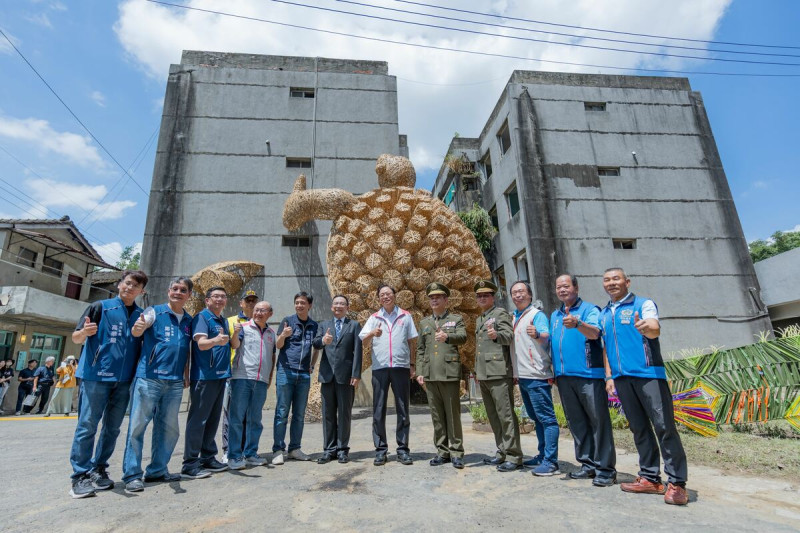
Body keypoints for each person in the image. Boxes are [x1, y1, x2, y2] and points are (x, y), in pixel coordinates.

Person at [600, 267, 688, 506]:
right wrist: (609, 376)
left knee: (664, 427)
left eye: (616, 279)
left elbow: (654, 327)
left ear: (627, 281)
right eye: (607, 280)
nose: (611, 283)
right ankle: (650, 478)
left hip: (649, 375)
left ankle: (677, 484)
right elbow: (606, 346)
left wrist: (647, 328)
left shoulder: (643, 304)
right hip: (621, 378)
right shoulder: (605, 313)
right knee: (639, 428)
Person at [69, 269, 148, 499]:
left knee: (112, 428)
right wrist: (84, 332)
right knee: (87, 425)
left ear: (142, 291)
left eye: (136, 286)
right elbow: (76, 338)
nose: (130, 288)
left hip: (124, 380)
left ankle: (98, 468)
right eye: (127, 283)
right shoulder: (100, 307)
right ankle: (79, 475)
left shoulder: (142, 316)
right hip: (95, 377)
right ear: (119, 284)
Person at [121, 276, 195, 493]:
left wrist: (186, 374)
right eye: (175, 288)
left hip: (174, 382)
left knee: (169, 429)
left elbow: (185, 350)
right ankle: (132, 474)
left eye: (183, 290)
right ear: (168, 291)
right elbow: (137, 331)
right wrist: (138, 327)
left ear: (189, 295)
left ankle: (157, 469)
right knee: (137, 426)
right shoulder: (154, 311)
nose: (178, 293)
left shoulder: (189, 320)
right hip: (149, 378)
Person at [550, 274, 616, 487]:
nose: (562, 290)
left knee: (598, 422)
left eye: (566, 286)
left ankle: (605, 469)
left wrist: (578, 323)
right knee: (577, 422)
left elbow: (596, 333)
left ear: (576, 288)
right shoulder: (555, 314)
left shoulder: (589, 310)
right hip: (564, 377)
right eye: (559, 287)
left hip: (589, 376)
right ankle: (587, 464)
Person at [183, 286, 241, 478]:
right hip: (204, 377)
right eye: (215, 296)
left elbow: (230, 344)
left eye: (223, 297)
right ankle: (190, 463)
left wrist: (226, 337)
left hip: (220, 376)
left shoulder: (222, 320)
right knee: (198, 420)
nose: (219, 300)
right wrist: (216, 340)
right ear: (207, 300)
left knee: (213, 419)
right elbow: (201, 343)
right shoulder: (202, 317)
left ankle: (207, 457)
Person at [360, 284, 418, 466]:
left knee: (403, 408)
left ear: (394, 296)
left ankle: (403, 450)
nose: (386, 297)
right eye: (382, 295)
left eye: (389, 294)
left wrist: (412, 364)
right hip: (380, 368)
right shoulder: (374, 318)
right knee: (378, 410)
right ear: (378, 299)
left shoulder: (405, 316)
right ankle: (381, 450)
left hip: (401, 367)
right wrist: (372, 333)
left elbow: (412, 342)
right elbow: (364, 342)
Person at [509, 281, 560, 477]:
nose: (518, 295)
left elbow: (546, 336)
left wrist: (538, 334)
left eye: (522, 292)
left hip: (537, 374)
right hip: (522, 376)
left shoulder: (536, 315)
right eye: (514, 293)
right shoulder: (514, 317)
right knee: (536, 417)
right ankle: (542, 454)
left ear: (530, 295)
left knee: (547, 419)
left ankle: (551, 461)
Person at [416, 283, 467, 469]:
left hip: (449, 373)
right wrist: (420, 372)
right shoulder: (424, 323)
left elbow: (463, 337)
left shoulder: (456, 319)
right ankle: (442, 451)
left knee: (452, 414)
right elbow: (421, 349)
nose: (434, 300)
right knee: (437, 415)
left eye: (438, 297)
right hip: (430, 375)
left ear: (446, 300)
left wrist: (448, 337)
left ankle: (456, 452)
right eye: (431, 298)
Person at [474, 280, 522, 472]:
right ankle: (502, 451)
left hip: (499, 372)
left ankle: (514, 455)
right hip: (485, 373)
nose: (482, 298)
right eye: (479, 296)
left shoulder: (499, 313)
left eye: (485, 295)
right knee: (493, 416)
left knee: (506, 415)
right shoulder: (480, 318)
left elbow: (508, 336)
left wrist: (497, 335)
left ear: (493, 297)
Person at [312, 295, 362, 464]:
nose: (338, 306)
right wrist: (323, 341)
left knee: (345, 414)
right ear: (331, 307)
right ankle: (329, 449)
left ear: (347, 307)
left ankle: (342, 449)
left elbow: (358, 351)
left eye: (342, 304)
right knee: (327, 414)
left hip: (346, 377)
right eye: (336, 304)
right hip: (327, 376)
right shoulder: (324, 325)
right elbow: (316, 343)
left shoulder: (354, 325)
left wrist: (356, 374)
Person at [227, 301, 276, 470]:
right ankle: (233, 456)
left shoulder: (271, 333)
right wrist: (235, 334)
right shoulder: (243, 327)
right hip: (242, 378)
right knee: (237, 418)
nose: (258, 313)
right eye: (256, 310)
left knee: (255, 420)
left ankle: (251, 453)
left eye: (263, 310)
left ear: (270, 313)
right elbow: (234, 345)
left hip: (261, 381)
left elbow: (272, 357)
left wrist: (269, 377)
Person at [272, 291, 319, 465]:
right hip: (286, 371)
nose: (299, 305)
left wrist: (312, 366)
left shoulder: (314, 325)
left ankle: (295, 448)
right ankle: (278, 449)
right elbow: (278, 345)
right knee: (282, 412)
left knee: (299, 414)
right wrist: (283, 334)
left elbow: (316, 348)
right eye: (297, 302)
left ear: (309, 305)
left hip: (304, 374)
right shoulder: (287, 321)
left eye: (303, 303)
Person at [222, 289, 258, 462]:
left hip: (252, 375)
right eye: (247, 300)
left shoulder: (260, 322)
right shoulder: (230, 321)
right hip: (233, 373)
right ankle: (227, 449)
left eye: (253, 300)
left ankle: (244, 449)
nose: (251, 303)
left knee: (248, 415)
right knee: (231, 415)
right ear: (241, 303)